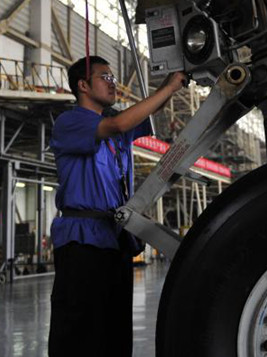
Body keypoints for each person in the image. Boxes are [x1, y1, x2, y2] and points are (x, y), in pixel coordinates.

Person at [48, 55, 187, 357]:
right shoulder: (71, 122)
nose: (113, 84)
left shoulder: (116, 130)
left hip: (116, 237)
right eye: (105, 77)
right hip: (82, 239)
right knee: (81, 330)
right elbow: (120, 122)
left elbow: (142, 116)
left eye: (113, 77)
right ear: (83, 85)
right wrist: (169, 87)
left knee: (115, 328)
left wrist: (171, 84)